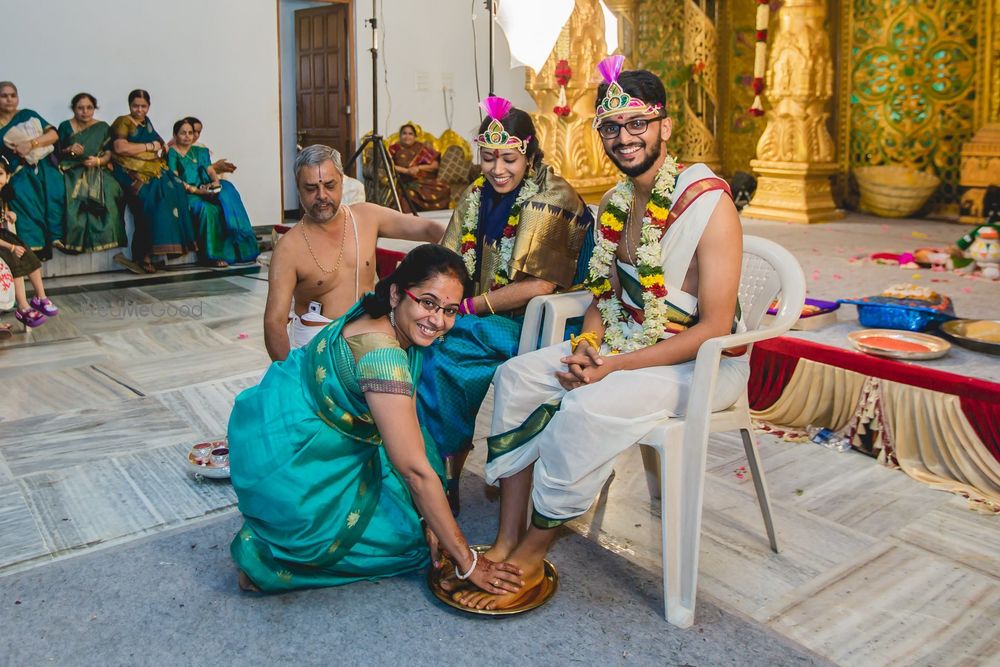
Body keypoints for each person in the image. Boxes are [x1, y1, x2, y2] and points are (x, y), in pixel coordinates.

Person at [453, 58, 747, 611]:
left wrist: (608, 367)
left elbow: (712, 329)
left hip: (699, 363)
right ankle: (508, 534)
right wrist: (588, 345)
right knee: (516, 377)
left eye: (637, 123)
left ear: (663, 126)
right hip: (620, 342)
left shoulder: (710, 203)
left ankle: (536, 548)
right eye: (610, 127)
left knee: (586, 408)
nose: (624, 137)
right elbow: (603, 300)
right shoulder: (614, 203)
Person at [229, 243, 525, 594]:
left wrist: (433, 509)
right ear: (398, 293)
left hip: (277, 440)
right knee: (413, 546)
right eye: (428, 303)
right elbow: (414, 471)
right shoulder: (383, 358)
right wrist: (468, 560)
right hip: (299, 474)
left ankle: (282, 530)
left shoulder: (370, 309)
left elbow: (411, 428)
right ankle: (271, 560)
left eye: (449, 310)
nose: (438, 321)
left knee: (424, 511)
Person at [418, 96, 591, 513]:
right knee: (421, 338)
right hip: (482, 316)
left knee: (442, 348)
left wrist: (464, 310)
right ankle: (432, 464)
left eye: (509, 158)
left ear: (529, 153)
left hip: (542, 325)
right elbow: (453, 258)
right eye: (489, 157)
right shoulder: (477, 195)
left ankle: (443, 472)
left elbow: (540, 286)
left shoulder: (552, 197)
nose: (497, 169)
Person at [264, 144, 446, 361]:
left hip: (370, 333)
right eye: (311, 188)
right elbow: (274, 322)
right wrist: (291, 376)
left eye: (330, 185)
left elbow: (429, 229)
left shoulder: (366, 217)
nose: (322, 195)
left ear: (342, 180)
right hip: (318, 347)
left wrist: (455, 241)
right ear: (298, 187)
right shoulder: (289, 248)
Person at [110, 89, 196, 274]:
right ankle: (142, 255)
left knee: (175, 190)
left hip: (153, 170)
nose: (139, 110)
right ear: (129, 105)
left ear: (148, 107)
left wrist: (155, 150)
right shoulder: (123, 122)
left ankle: (164, 249)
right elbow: (120, 147)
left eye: (143, 106)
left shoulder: (146, 123)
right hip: (129, 172)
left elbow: (161, 145)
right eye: (135, 106)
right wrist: (148, 148)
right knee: (150, 200)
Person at [167, 119, 259, 267]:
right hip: (187, 194)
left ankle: (242, 241)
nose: (188, 136)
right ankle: (212, 256)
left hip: (205, 188)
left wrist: (215, 183)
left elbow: (209, 170)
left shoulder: (200, 150)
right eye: (183, 133)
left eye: (191, 133)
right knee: (209, 210)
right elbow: (175, 179)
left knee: (227, 195)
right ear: (175, 135)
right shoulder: (172, 153)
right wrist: (197, 190)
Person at [0, 81, 66, 257]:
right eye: (4, 96)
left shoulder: (27, 115)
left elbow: (53, 135)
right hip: (13, 172)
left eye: (13, 95)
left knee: (55, 187)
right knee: (22, 194)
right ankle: (33, 249)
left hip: (41, 164)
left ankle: (56, 237)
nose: (9, 99)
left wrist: (31, 144)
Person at [56, 93, 126, 253]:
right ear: (73, 109)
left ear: (94, 109)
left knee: (110, 190)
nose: (85, 112)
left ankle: (107, 239)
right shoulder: (65, 126)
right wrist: (70, 150)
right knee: (73, 197)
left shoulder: (102, 127)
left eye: (89, 108)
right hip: (71, 168)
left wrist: (99, 161)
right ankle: (74, 241)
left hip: (97, 168)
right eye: (80, 108)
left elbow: (109, 153)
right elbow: (57, 152)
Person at [0, 156, 58, 329]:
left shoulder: (3, 196)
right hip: (3, 244)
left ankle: (40, 297)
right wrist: (10, 246)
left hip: (4, 237)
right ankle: (23, 307)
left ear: (8, 176)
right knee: (15, 264)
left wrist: (9, 215)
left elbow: (4, 215)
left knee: (31, 259)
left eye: (0, 174)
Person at [389, 123, 451, 212]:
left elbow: (435, 165)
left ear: (415, 136)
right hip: (403, 182)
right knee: (407, 194)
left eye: (410, 134)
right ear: (400, 136)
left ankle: (436, 218)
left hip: (422, 182)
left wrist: (418, 168)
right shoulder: (394, 149)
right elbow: (388, 165)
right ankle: (409, 220)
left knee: (445, 188)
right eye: (404, 133)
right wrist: (406, 171)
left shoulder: (422, 148)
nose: (407, 136)